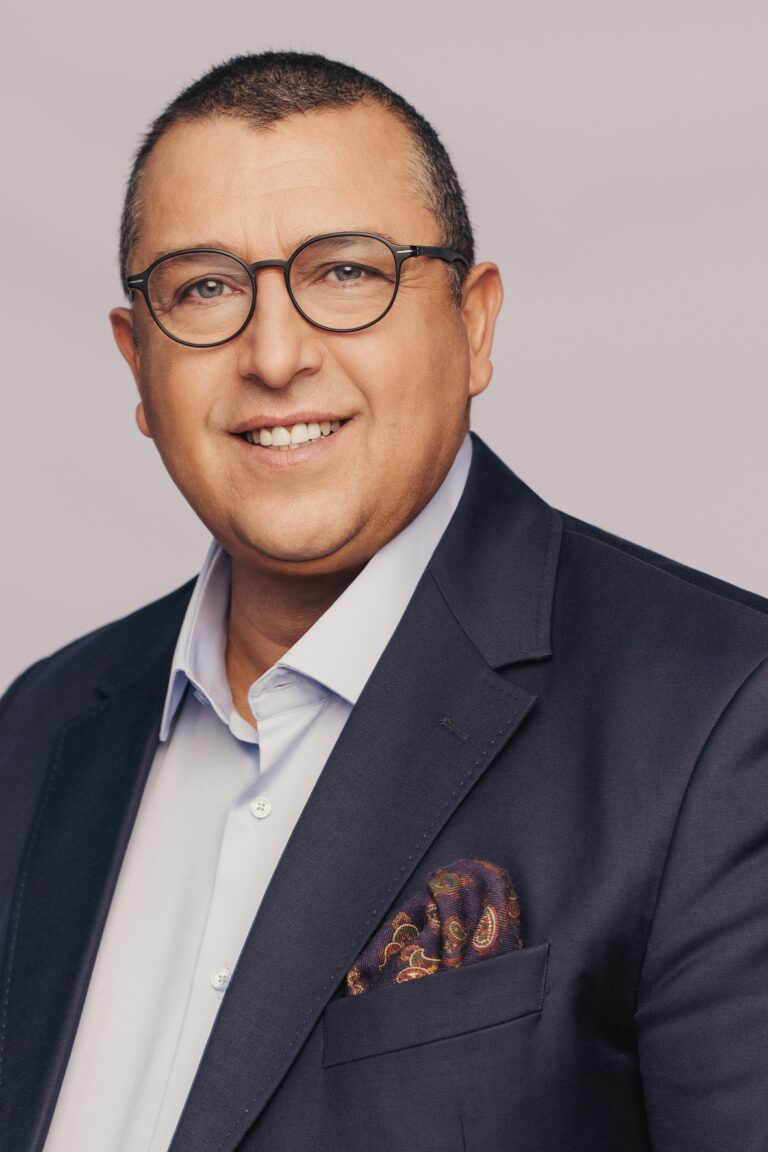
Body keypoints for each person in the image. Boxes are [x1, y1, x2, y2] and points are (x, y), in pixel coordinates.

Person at [1, 51, 766, 1152]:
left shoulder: (721, 721)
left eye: (347, 272)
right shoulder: (39, 729)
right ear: (137, 364)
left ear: (474, 325)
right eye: (205, 287)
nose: (275, 355)